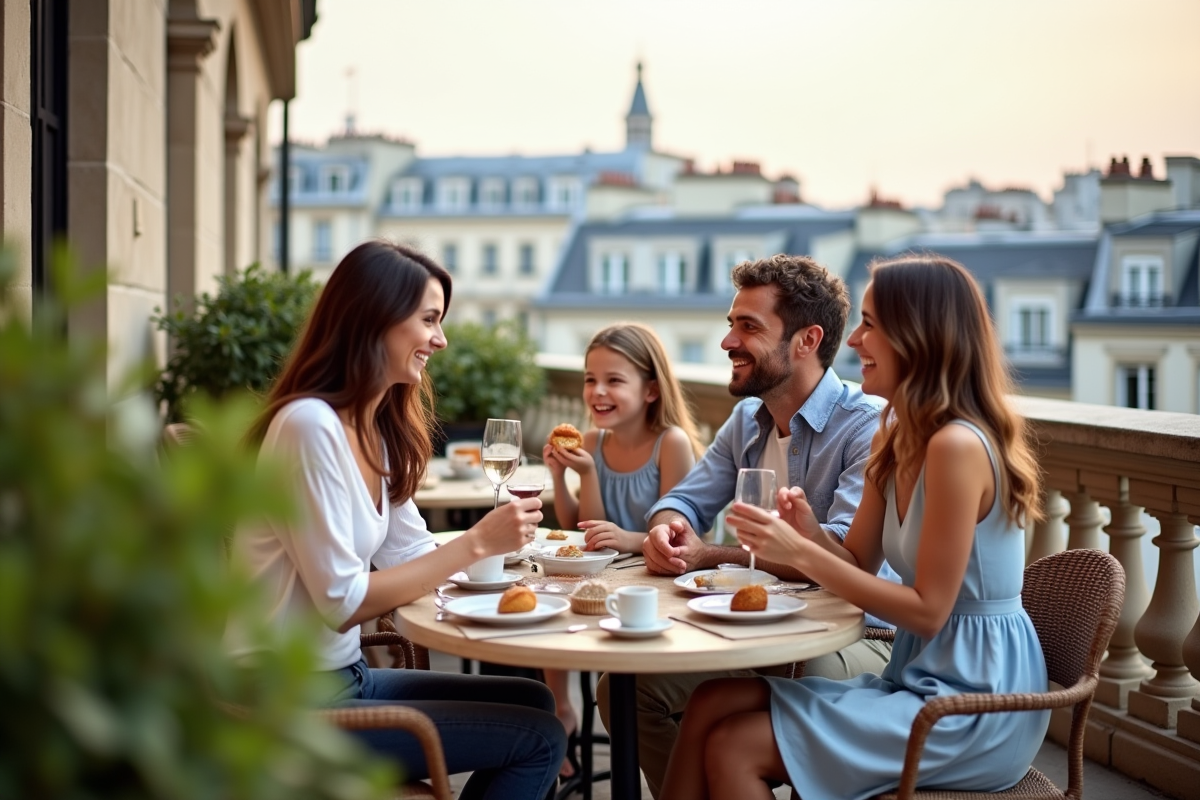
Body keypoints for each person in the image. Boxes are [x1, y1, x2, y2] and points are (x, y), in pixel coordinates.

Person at [659, 254, 1048, 800]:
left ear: (918, 338)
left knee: (734, 744)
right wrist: (812, 535)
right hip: (916, 677)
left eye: (871, 325)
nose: (856, 340)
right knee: (709, 703)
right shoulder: (895, 434)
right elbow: (857, 563)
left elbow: (928, 611)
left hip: (974, 701)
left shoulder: (956, 446)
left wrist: (799, 550)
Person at [225, 240, 566, 800]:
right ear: (375, 319)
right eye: (429, 319)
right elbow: (342, 603)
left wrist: (518, 569)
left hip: (344, 677)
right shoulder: (309, 427)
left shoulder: (374, 428)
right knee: (541, 738)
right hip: (286, 700)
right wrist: (479, 543)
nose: (441, 338)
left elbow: (413, 552)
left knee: (534, 701)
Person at [595, 253, 893, 799]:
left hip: (861, 635)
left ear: (806, 341)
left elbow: (844, 561)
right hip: (758, 630)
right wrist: (667, 529)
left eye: (749, 327)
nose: (729, 342)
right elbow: (683, 501)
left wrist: (714, 556)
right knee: (624, 690)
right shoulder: (746, 419)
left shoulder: (864, 426)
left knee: (806, 675)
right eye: (731, 324)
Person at [540, 322, 703, 776]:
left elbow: (676, 526)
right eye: (591, 379)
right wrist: (564, 477)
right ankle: (561, 708)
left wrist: (630, 538)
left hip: (655, 585)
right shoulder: (594, 442)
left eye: (614, 380)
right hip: (606, 575)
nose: (597, 391)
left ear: (651, 390)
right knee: (554, 595)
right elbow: (581, 525)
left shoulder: (669, 443)